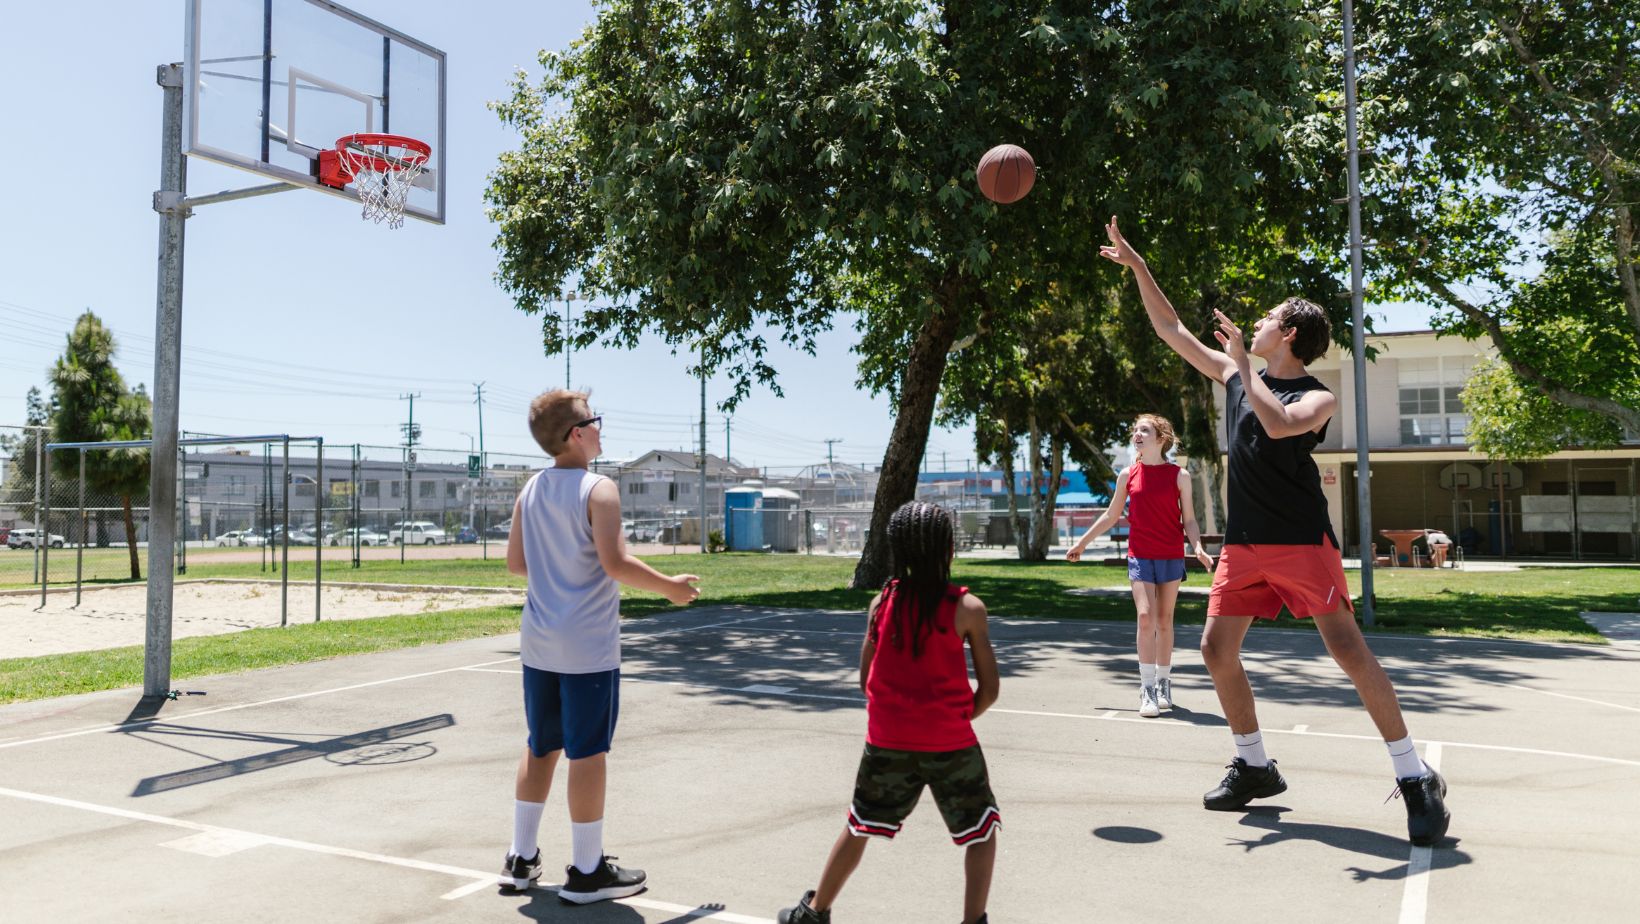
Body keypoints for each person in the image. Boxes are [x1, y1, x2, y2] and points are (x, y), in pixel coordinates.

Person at [1098, 217, 1451, 847]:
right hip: (1244, 543)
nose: (1253, 324)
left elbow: (1281, 423)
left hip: (1299, 540)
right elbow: (1170, 329)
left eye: (1265, 320)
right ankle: (1254, 765)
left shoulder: (1317, 396)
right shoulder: (1237, 374)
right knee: (1214, 650)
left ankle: (1415, 779)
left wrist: (1240, 363)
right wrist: (1138, 268)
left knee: (1346, 650)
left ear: (1286, 334)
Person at [502, 390, 701, 901]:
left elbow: (517, 565)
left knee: (541, 744)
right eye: (595, 421)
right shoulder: (599, 489)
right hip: (585, 646)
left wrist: (558, 569)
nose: (600, 428)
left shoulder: (531, 490)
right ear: (576, 434)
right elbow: (615, 564)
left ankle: (520, 859)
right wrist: (671, 588)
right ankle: (588, 871)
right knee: (588, 753)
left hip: (538, 639)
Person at [780, 502, 1001, 924]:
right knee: (981, 830)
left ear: (896, 552)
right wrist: (957, 717)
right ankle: (974, 921)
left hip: (887, 740)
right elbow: (989, 689)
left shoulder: (883, 603)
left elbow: (866, 683)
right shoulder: (968, 608)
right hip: (950, 742)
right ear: (949, 550)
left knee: (860, 824)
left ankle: (813, 913)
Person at [1067, 414, 1215, 717]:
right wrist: (1081, 544)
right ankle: (1147, 688)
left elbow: (1188, 519)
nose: (1137, 434)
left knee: (1164, 620)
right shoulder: (1127, 475)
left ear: (1160, 439)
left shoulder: (1180, 476)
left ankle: (1163, 683)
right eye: (1135, 430)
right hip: (1140, 555)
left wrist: (1197, 546)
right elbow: (1110, 516)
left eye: (1144, 430)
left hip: (1171, 554)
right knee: (1146, 618)